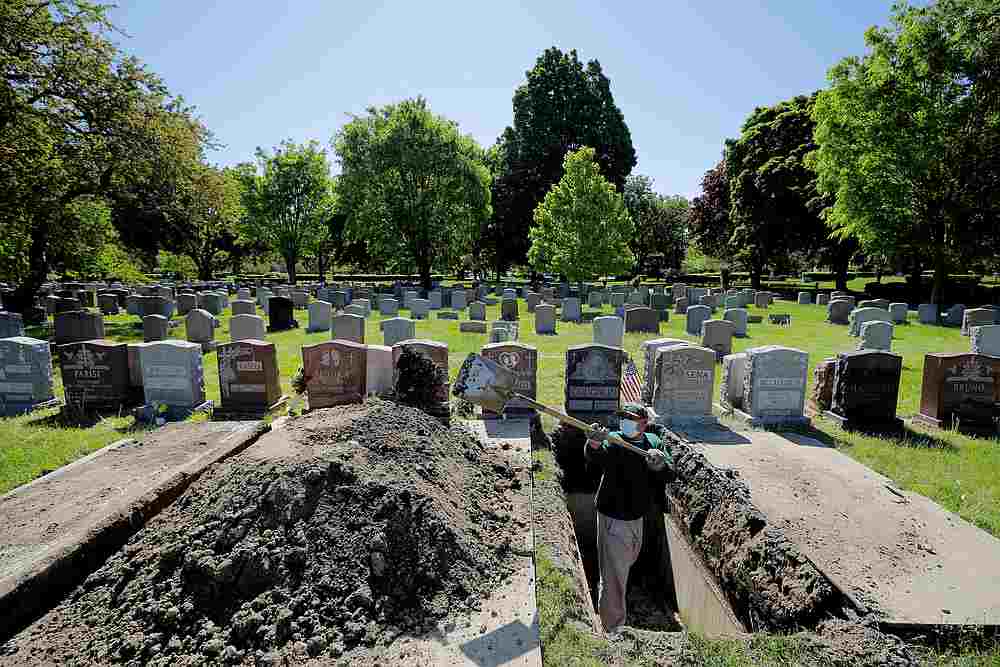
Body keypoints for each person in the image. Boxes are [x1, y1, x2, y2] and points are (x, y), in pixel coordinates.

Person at [584, 403, 674, 635]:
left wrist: (660, 465)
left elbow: (670, 473)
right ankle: (613, 629)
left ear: (644, 423)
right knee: (614, 575)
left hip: (637, 516)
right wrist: (593, 442)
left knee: (623, 564)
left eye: (631, 418)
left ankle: (609, 604)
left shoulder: (653, 444)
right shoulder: (613, 439)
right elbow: (597, 456)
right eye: (622, 418)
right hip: (613, 517)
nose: (625, 422)